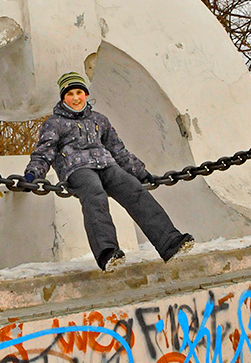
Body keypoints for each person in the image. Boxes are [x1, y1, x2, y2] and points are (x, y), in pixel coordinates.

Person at [23, 71, 194, 272]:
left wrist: (139, 173)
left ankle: (169, 242)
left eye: (79, 92)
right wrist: (33, 173)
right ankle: (107, 252)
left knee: (135, 190)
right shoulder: (54, 123)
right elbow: (45, 151)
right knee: (95, 195)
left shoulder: (99, 120)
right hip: (76, 169)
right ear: (63, 98)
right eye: (70, 94)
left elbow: (117, 149)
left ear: (86, 95)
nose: (76, 98)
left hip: (106, 165)